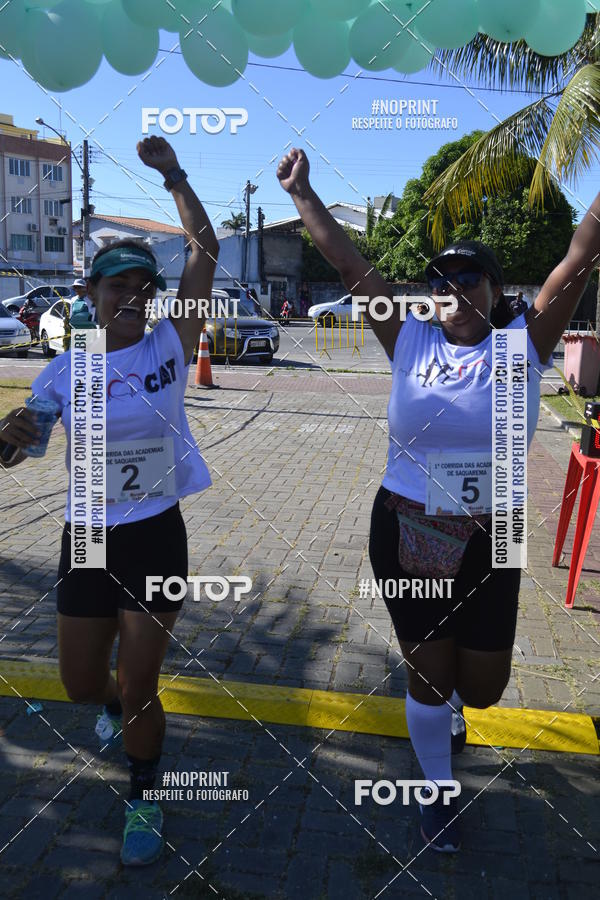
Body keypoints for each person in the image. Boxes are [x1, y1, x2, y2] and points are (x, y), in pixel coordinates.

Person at [277, 146, 599, 852]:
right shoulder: (409, 339)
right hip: (410, 525)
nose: (453, 290)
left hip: (497, 530)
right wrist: (302, 194)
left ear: (494, 289)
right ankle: (436, 791)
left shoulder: (522, 345)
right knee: (429, 673)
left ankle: (456, 706)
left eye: (468, 278)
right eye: (441, 281)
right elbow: (348, 264)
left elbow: (577, 261)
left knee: (481, 687)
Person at [0, 136, 218, 866]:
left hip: (155, 533)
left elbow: (206, 249)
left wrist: (174, 175)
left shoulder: (170, 346)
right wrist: (8, 437)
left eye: (142, 286)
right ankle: (111, 707)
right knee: (80, 683)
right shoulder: (65, 369)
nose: (132, 296)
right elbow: (18, 450)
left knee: (141, 681)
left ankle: (144, 793)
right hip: (88, 537)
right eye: (116, 286)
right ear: (91, 296)